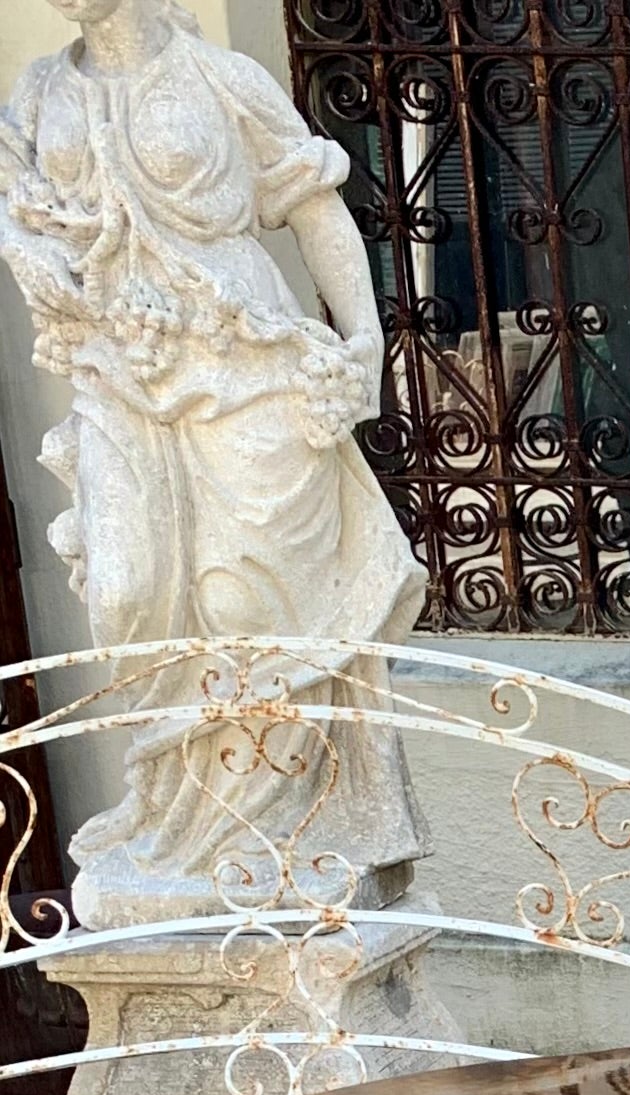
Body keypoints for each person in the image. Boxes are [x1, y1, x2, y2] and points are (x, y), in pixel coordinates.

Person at [0, 0, 423, 930]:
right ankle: (171, 813)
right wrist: (26, 248)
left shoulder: (221, 78)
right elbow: (9, 204)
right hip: (119, 371)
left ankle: (270, 830)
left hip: (245, 366)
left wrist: (362, 346)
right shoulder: (36, 95)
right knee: (124, 589)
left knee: (251, 602)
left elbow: (316, 210)